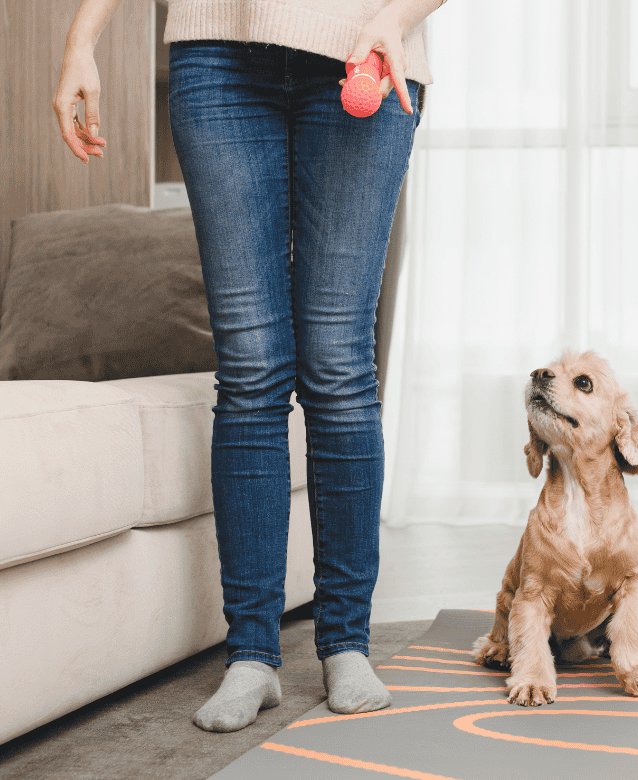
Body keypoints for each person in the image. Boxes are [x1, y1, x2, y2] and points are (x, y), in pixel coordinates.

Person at [54, 0, 445, 733]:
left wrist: (400, 16)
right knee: (251, 368)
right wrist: (82, 41)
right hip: (217, 52)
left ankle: (346, 644)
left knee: (336, 363)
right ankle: (252, 654)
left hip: (366, 49)